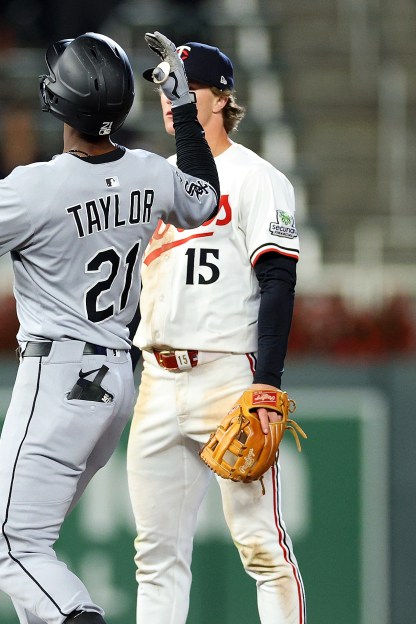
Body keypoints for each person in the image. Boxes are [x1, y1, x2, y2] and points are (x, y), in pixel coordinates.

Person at [0, 32, 219, 624]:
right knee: (35, 558)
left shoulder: (37, 186)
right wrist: (185, 110)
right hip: (115, 384)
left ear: (58, 99)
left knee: (14, 552)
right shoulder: (148, 172)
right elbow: (205, 197)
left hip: (59, 375)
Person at [127, 41, 306, 623]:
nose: (169, 95)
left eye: (184, 83)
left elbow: (278, 279)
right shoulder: (157, 183)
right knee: (156, 558)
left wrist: (268, 385)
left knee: (262, 548)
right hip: (157, 378)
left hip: (227, 371)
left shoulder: (256, 177)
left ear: (222, 96)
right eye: (163, 85)